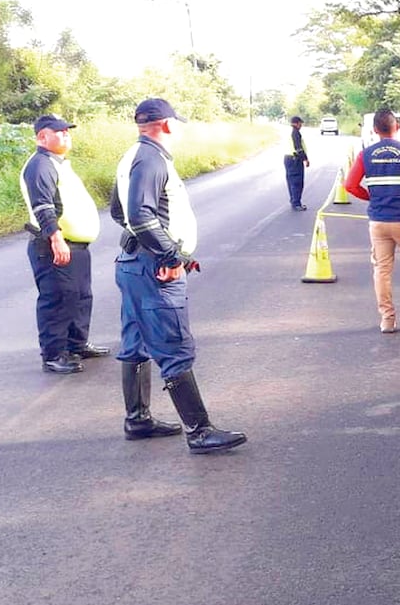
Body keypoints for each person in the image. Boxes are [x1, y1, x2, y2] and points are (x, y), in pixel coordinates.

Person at [109, 98, 247, 454]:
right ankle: (200, 431)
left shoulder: (131, 157)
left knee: (136, 342)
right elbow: (140, 216)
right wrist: (171, 254)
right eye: (177, 123)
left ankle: (137, 419)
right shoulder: (152, 159)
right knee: (174, 346)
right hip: (155, 268)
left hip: (134, 263)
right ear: (167, 124)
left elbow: (117, 211)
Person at [20, 113, 110, 374]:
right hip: (55, 244)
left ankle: (76, 344)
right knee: (57, 299)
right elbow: (43, 206)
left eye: (67, 130)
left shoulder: (58, 163)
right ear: (42, 136)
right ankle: (53, 354)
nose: (65, 134)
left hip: (76, 245)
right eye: (59, 131)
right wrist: (55, 237)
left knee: (80, 296)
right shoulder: (40, 165)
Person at [343, 108, 400, 333]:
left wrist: (372, 197)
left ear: (375, 130)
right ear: (397, 127)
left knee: (382, 270)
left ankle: (387, 320)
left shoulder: (365, 155)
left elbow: (350, 185)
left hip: (379, 223)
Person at [285, 115, 309, 211]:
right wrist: (305, 159)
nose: (301, 125)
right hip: (295, 159)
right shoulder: (295, 133)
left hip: (288, 158)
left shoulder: (289, 132)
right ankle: (296, 203)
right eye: (300, 123)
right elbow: (298, 148)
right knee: (297, 182)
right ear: (296, 123)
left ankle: (293, 200)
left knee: (291, 181)